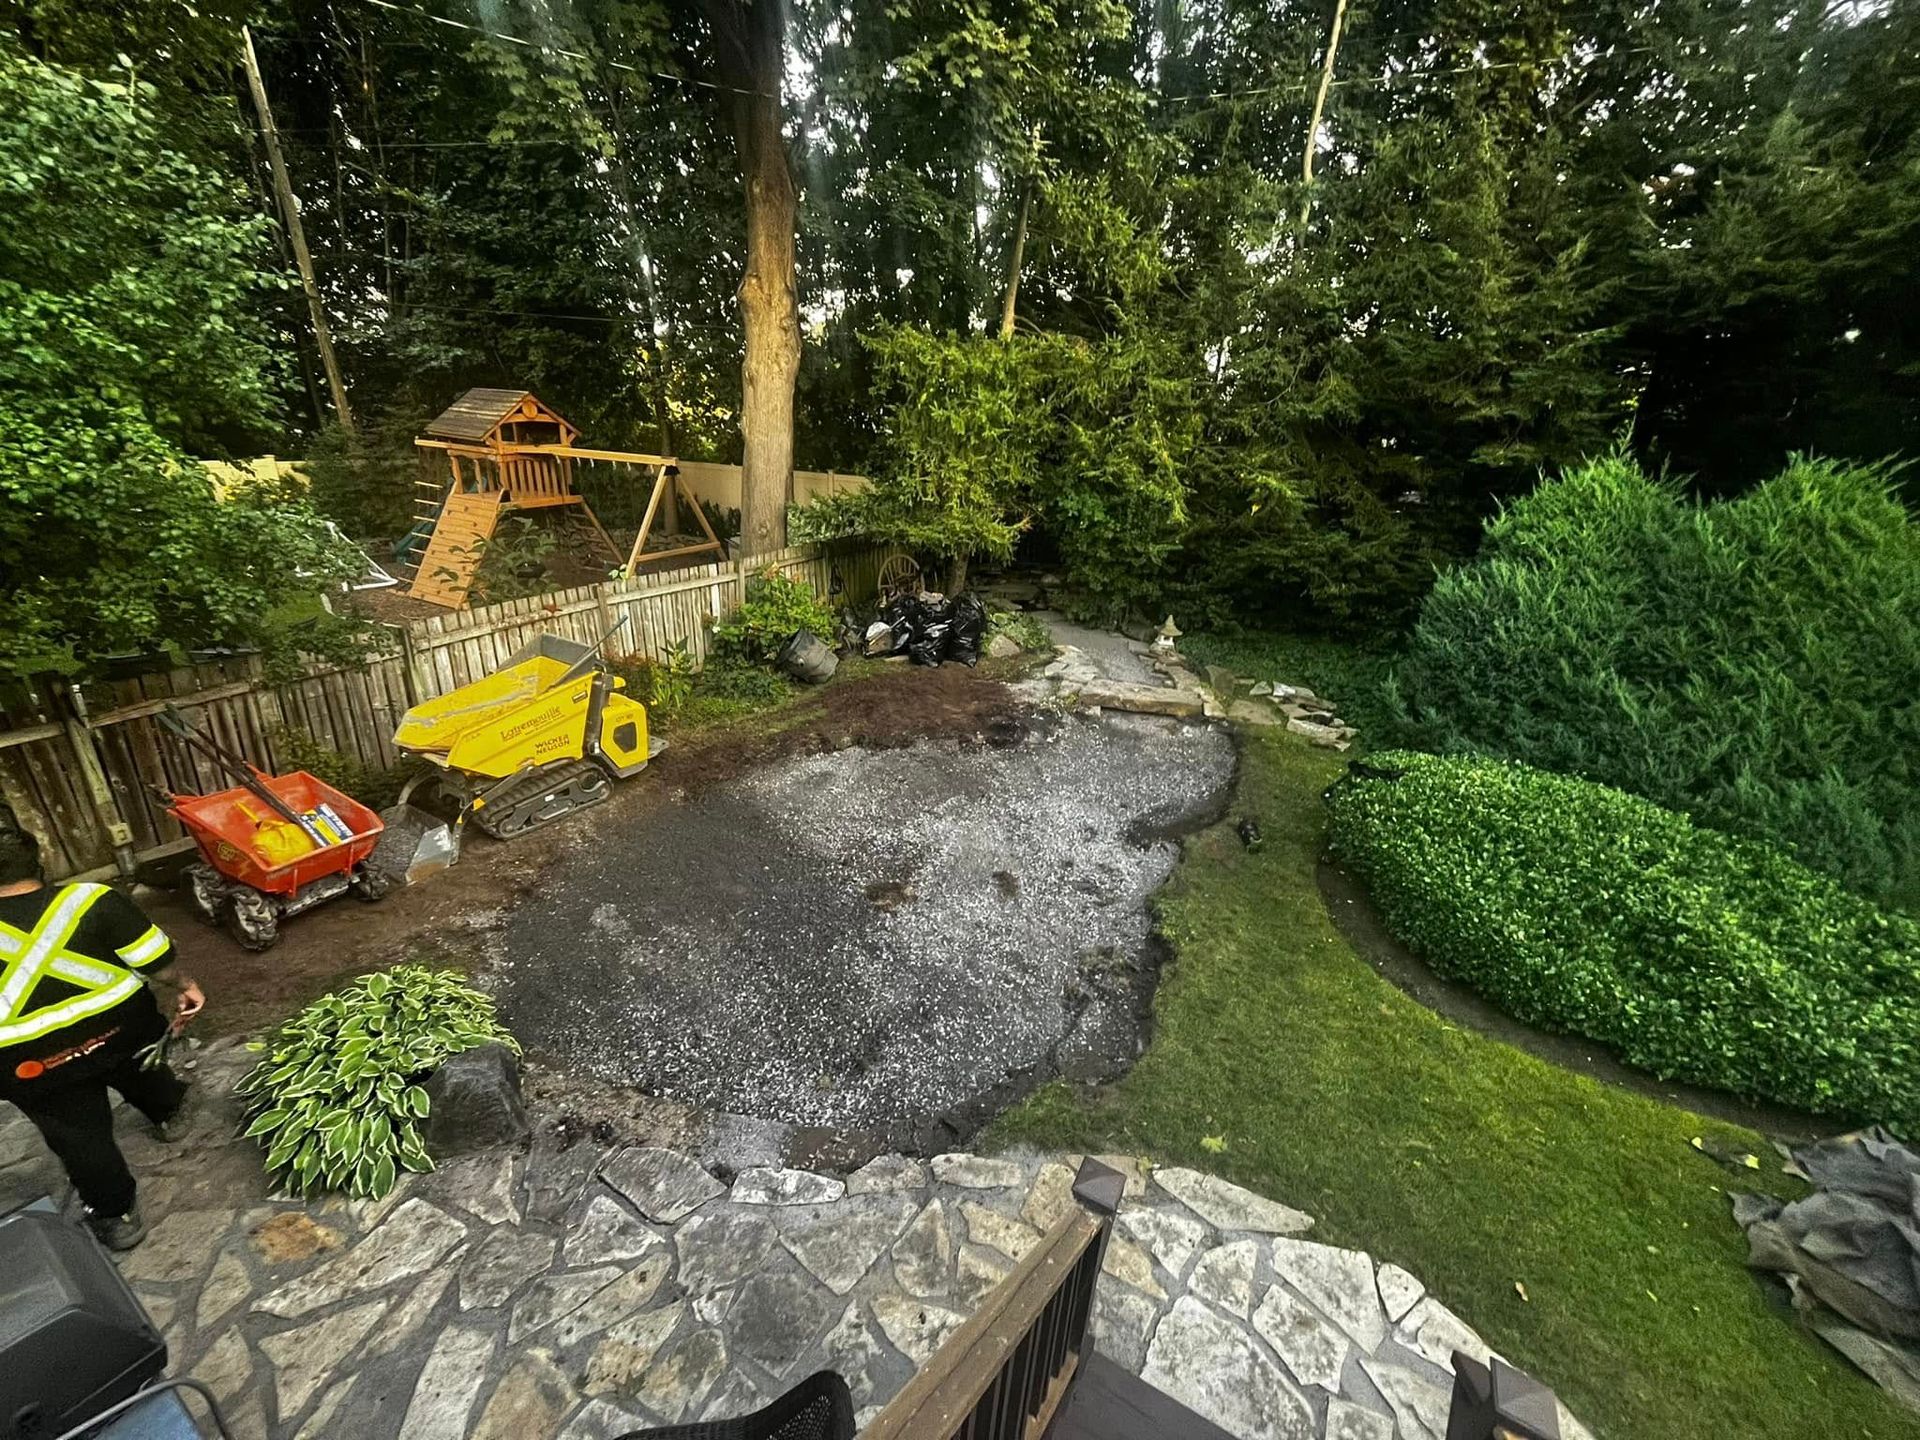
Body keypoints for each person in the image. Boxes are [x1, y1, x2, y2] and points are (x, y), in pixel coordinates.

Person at [0, 805, 204, 1250]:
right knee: (145, 1072)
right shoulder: (90, 900)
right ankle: (170, 1115)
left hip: (32, 1061)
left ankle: (117, 1214)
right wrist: (185, 986)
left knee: (79, 1136)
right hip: (122, 1029)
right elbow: (157, 962)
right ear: (39, 862)